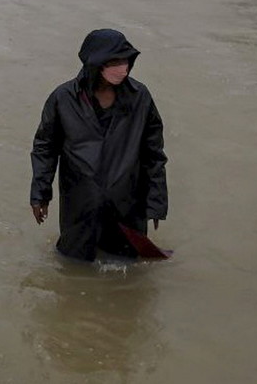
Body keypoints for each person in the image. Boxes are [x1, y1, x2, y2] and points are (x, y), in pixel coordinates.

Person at [30, 28, 168, 261]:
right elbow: (45, 148)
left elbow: (153, 154)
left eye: (125, 60)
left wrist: (155, 203)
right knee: (74, 268)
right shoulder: (63, 99)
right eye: (114, 61)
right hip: (80, 206)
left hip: (127, 206)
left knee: (128, 272)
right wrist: (40, 194)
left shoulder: (140, 98)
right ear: (95, 64)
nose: (122, 68)